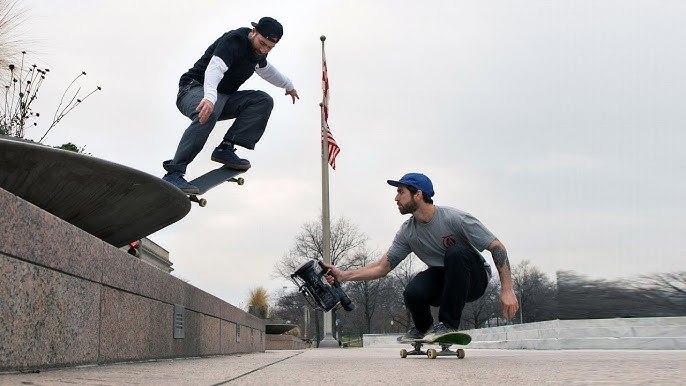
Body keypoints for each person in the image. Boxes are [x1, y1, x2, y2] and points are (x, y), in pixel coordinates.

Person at [325, 173, 519, 341]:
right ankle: (423, 326)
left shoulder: (454, 218)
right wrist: (343, 275)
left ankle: (448, 325)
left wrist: (507, 290)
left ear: (418, 194)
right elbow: (381, 267)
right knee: (413, 290)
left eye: (401, 192)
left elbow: (497, 247)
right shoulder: (407, 232)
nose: (396, 198)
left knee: (456, 254)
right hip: (446, 282)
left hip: (474, 280)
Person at [162, 17, 299, 193]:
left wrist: (289, 86)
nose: (263, 49)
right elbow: (215, 68)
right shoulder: (234, 41)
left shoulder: (258, 55)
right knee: (209, 111)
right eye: (262, 43)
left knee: (262, 100)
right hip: (192, 90)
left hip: (222, 99)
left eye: (269, 48)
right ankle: (174, 173)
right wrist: (210, 97)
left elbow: (268, 72)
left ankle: (225, 149)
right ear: (253, 32)